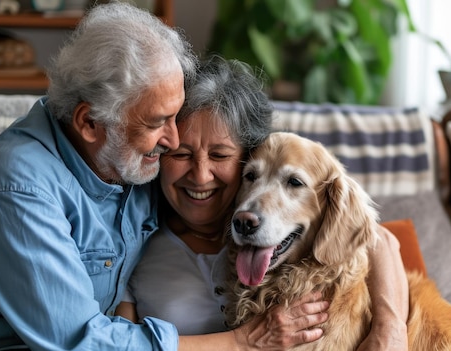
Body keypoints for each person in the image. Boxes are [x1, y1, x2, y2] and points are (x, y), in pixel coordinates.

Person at [0, 3, 329, 350]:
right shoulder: (17, 187)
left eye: (174, 116)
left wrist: (389, 328)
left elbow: (352, 223)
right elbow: (83, 342)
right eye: (157, 122)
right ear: (89, 122)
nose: (173, 140)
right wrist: (242, 342)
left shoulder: (130, 158)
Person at [116, 55, 409, 350]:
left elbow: (379, 238)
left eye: (219, 155)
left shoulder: (275, 236)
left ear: (244, 154)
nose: (201, 176)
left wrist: (390, 328)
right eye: (181, 155)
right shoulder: (131, 240)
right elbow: (118, 343)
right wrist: (243, 341)